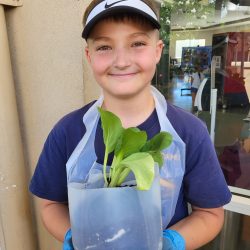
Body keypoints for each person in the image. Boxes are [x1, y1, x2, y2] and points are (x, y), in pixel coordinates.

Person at [29, 0, 232, 249]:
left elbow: (210, 214)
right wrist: (75, 236)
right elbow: (50, 205)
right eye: (104, 46)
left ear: (158, 50)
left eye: (137, 43)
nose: (122, 61)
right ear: (88, 55)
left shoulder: (189, 132)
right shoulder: (68, 131)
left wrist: (169, 243)